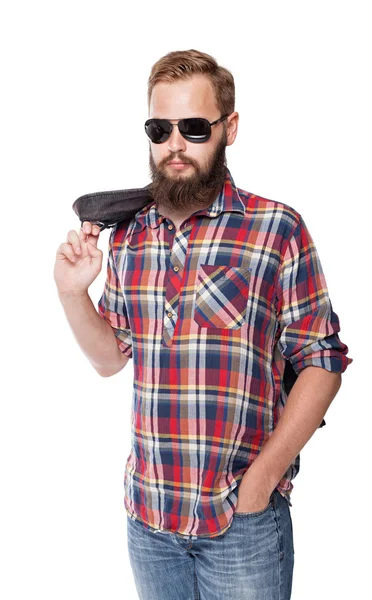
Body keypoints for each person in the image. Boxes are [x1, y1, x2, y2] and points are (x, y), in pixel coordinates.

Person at [54, 49, 353, 600]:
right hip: (148, 517)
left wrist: (261, 482)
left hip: (240, 522)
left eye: (193, 128)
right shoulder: (129, 236)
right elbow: (109, 359)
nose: (175, 144)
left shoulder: (275, 229)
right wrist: (74, 294)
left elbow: (322, 362)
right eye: (159, 128)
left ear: (228, 128)